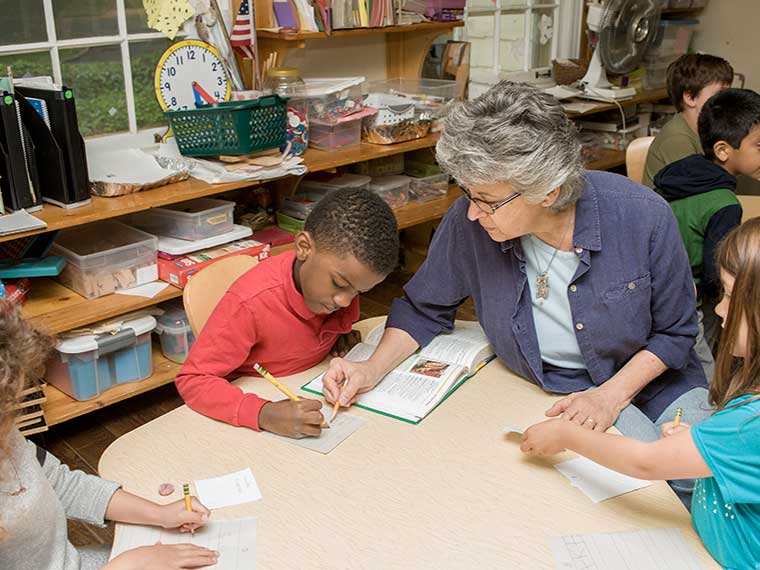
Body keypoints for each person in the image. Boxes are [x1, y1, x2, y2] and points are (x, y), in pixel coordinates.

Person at [322, 81, 710, 504]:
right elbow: (423, 307)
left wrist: (608, 398)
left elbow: (675, 333)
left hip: (651, 384)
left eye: (487, 200)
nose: (473, 211)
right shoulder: (469, 222)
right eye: (468, 194)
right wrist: (370, 369)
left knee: (697, 485)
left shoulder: (644, 217)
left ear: (549, 191)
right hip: (545, 390)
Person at [520, 219, 760, 569]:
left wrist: (565, 434)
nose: (719, 309)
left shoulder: (749, 426)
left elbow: (644, 461)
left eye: (728, 295)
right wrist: (697, 440)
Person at [0, 301, 217, 570]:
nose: (12, 419)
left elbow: (60, 484)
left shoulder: (5, 434)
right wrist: (129, 566)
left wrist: (159, 513)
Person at [175, 188, 399, 439]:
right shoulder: (249, 303)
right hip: (257, 412)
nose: (346, 302)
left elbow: (308, 333)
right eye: (338, 284)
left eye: (359, 292)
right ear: (304, 247)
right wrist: (264, 414)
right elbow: (192, 379)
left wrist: (337, 337)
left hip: (307, 389)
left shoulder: (334, 292)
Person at [654, 88, 760, 356]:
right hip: (690, 297)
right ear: (723, 150)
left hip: (657, 286)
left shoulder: (684, 175)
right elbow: (718, 274)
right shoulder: (724, 204)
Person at [642, 53, 734, 189]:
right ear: (690, 98)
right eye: (720, 94)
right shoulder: (677, 139)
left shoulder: (710, 129)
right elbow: (698, 190)